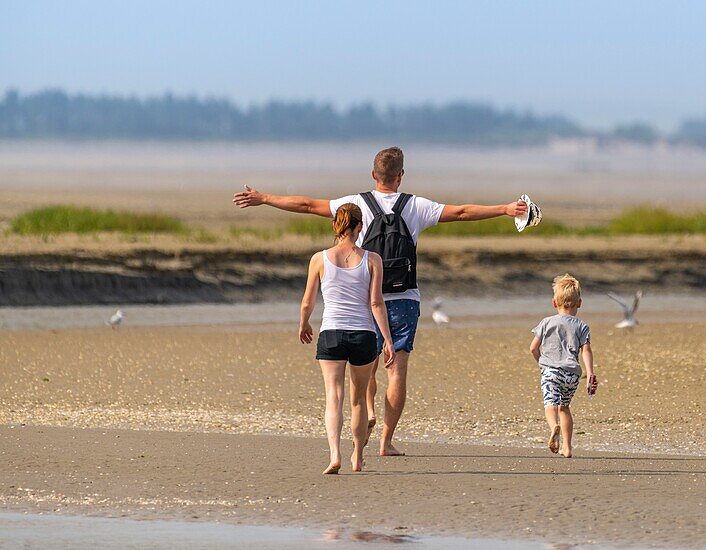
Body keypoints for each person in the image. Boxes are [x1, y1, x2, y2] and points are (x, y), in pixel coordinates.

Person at [233, 146, 528, 456]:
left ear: (374, 175)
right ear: (400, 176)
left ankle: (368, 410)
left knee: (366, 367)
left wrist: (264, 198)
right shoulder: (415, 206)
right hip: (404, 299)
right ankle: (386, 441)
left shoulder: (356, 204)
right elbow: (463, 212)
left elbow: (307, 205)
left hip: (366, 299)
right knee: (397, 369)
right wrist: (506, 209)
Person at [299, 203, 395, 474]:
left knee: (334, 397)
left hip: (331, 332)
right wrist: (387, 340)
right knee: (359, 399)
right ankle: (357, 456)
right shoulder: (372, 259)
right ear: (359, 227)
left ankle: (334, 455)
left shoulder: (319, 258)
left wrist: (304, 323)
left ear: (336, 226)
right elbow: (376, 303)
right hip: (363, 334)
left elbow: (308, 301)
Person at [529, 274, 597, 458]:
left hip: (550, 371)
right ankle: (567, 448)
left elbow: (533, 348)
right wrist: (590, 373)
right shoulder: (582, 326)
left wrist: (543, 365)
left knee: (550, 403)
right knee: (564, 407)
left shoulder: (546, 322)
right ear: (580, 303)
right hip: (571, 374)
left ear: (554, 303)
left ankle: (554, 427)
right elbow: (586, 350)